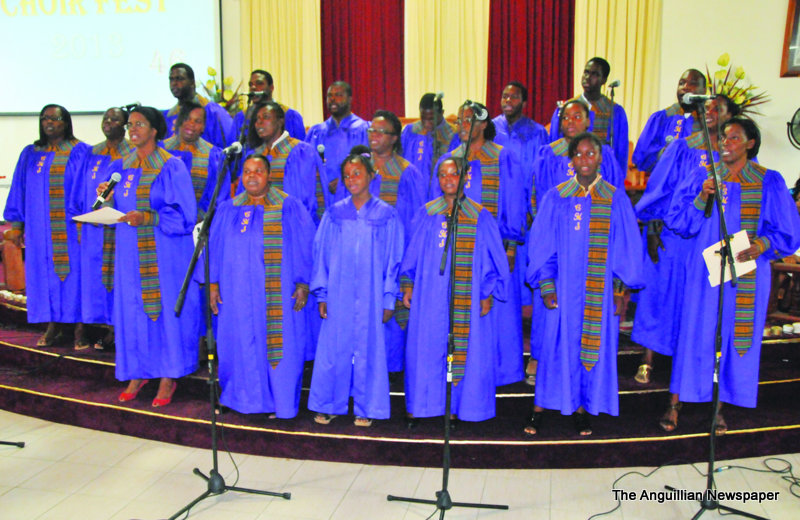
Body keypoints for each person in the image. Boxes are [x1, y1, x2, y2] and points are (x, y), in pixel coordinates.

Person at [661, 117, 800, 434]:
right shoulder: (703, 175)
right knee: (694, 332)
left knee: (732, 335)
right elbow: (678, 221)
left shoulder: (768, 181)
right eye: (723, 137)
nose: (725, 142)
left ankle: (719, 408)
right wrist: (702, 196)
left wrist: (761, 244)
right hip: (704, 271)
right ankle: (675, 403)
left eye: (734, 137)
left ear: (750, 143)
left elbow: (788, 231)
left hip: (746, 272)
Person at [525, 132, 644, 436]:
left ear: (600, 158)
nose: (584, 159)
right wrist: (546, 285)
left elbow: (626, 248)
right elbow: (542, 246)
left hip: (598, 292)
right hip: (562, 288)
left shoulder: (615, 198)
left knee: (588, 348)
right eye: (578, 154)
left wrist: (620, 290)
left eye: (590, 153)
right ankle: (539, 409)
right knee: (554, 347)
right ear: (571, 160)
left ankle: (580, 409)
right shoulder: (557, 196)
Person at [631, 95, 738, 385]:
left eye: (718, 108)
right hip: (675, 231)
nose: (710, 111)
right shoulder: (681, 147)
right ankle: (647, 359)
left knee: (700, 300)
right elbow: (658, 188)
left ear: (731, 117)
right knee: (661, 293)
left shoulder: (734, 158)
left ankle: (690, 364)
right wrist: (653, 228)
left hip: (712, 237)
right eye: (707, 107)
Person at [99, 106, 200, 407]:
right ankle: (137, 370)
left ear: (155, 130)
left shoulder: (171, 166)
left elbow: (185, 215)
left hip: (165, 251)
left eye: (139, 124)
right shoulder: (121, 166)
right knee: (133, 309)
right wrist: (107, 198)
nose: (132, 129)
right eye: (130, 124)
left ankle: (168, 375)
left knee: (164, 310)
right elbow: (118, 207)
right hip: (130, 251)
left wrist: (148, 217)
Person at [402, 157, 509, 426]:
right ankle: (422, 405)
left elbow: (492, 259)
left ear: (466, 177)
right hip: (429, 295)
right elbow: (412, 253)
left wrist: (486, 292)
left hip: (467, 296)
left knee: (465, 348)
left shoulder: (479, 215)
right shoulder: (427, 213)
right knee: (427, 347)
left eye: (454, 173)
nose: (448, 179)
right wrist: (408, 284)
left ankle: (458, 406)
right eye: (443, 174)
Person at [208, 154, 315, 417]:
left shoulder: (289, 206)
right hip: (235, 291)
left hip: (277, 290)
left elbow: (305, 246)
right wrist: (213, 284)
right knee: (237, 341)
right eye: (247, 171)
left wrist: (303, 282)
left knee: (278, 343)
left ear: (269, 175)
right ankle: (237, 397)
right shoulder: (228, 209)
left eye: (258, 171)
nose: (252, 176)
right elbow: (215, 249)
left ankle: (279, 402)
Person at [432, 101, 526, 386]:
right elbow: (435, 205)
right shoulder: (449, 161)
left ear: (483, 124)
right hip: (457, 247)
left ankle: (497, 371)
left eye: (468, 120)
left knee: (494, 309)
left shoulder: (502, 157)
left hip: (493, 247)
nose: (461, 125)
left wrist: (510, 247)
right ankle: (459, 369)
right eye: (459, 120)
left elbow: (514, 203)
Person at [308, 148, 403, 427]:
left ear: (371, 176)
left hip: (372, 294)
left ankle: (367, 406)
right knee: (333, 348)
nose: (351, 180)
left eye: (357, 173)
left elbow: (393, 261)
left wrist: (389, 298)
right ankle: (328, 403)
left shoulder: (386, 215)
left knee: (369, 348)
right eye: (347, 175)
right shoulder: (335, 214)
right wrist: (322, 294)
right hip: (338, 292)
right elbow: (321, 255)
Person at [4, 104, 90, 348]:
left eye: (55, 118)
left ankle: (79, 328)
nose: (49, 122)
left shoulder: (80, 151)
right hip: (39, 230)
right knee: (43, 275)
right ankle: (53, 324)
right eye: (44, 118)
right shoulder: (31, 153)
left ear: (66, 121)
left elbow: (87, 190)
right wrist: (17, 225)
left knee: (74, 275)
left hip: (70, 229)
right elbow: (19, 189)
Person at [367, 111, 427, 373]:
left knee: (393, 314)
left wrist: (409, 266)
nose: (374, 136)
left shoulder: (407, 173)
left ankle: (392, 370)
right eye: (371, 130)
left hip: (395, 256)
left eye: (381, 132)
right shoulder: (359, 169)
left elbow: (416, 222)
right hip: (362, 256)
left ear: (394, 138)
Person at [69, 107, 131, 350]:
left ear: (125, 125)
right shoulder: (91, 152)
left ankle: (116, 329)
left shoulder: (132, 153)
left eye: (115, 119)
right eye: (106, 118)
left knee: (116, 275)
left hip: (120, 227)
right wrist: (78, 218)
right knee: (92, 277)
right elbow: (78, 187)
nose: (108, 122)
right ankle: (93, 327)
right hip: (93, 228)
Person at [492, 82, 550, 330]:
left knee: (522, 262)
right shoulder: (491, 128)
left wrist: (532, 208)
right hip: (495, 206)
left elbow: (540, 173)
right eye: (504, 96)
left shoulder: (537, 132)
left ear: (524, 103)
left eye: (514, 97)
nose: (508, 100)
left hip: (525, 209)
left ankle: (521, 318)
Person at [240, 101, 322, 222]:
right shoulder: (253, 156)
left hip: (292, 225)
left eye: (266, 117)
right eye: (257, 119)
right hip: (257, 227)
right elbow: (243, 197)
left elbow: (312, 199)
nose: (259, 123)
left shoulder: (302, 152)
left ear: (280, 121)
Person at [548, 58, 629, 173]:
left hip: (601, 173)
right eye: (586, 72)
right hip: (568, 171)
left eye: (594, 74)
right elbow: (555, 143)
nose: (587, 77)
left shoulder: (614, 112)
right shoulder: (566, 109)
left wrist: (616, 176)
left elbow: (620, 152)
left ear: (604, 80)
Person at [304, 81, 370, 210]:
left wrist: (344, 181)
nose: (333, 99)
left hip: (354, 199)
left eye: (339, 95)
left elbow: (371, 166)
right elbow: (306, 167)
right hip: (322, 200)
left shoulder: (364, 130)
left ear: (350, 99)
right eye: (330, 96)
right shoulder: (316, 132)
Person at [631, 69, 707, 173]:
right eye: (681, 83)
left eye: (692, 83)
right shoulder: (661, 118)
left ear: (704, 91)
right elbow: (641, 157)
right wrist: (663, 154)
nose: (685, 87)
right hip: (664, 181)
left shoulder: (709, 122)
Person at [162, 101, 228, 219]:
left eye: (197, 121)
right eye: (187, 119)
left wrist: (199, 218)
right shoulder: (161, 150)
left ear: (203, 127)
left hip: (199, 222)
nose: (191, 124)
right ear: (179, 121)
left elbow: (218, 196)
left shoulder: (214, 155)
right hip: (163, 220)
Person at [163, 63, 233, 149]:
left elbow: (230, 145)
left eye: (179, 79)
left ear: (192, 83)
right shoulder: (168, 116)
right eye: (171, 79)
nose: (174, 83)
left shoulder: (213, 112)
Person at [230, 69, 306, 145]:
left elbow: (301, 148)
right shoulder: (241, 118)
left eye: (259, 83)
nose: (253, 87)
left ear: (271, 88)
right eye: (250, 85)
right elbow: (231, 146)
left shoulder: (291, 116)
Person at [400, 93, 457, 191]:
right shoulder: (410, 131)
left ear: (442, 113)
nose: (426, 123)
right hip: (411, 189)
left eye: (431, 119)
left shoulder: (452, 134)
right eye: (423, 118)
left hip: (439, 191)